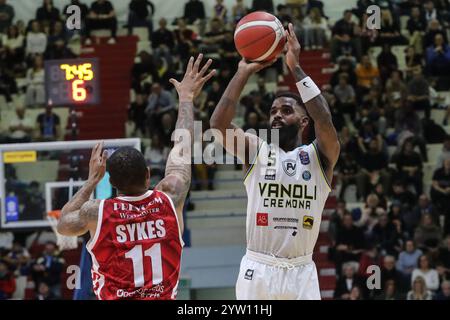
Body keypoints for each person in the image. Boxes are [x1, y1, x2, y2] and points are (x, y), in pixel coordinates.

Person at [57, 54, 215, 300]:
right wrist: (186, 98)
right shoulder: (170, 197)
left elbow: (64, 223)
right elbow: (182, 147)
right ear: (148, 174)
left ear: (110, 183)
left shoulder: (95, 212)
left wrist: (90, 181)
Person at [210, 23, 339, 300]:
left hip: (302, 271)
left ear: (304, 121)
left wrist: (296, 68)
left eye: (286, 110)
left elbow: (325, 120)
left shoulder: (320, 157)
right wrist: (242, 73)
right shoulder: (256, 149)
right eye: (273, 111)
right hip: (259, 268)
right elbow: (217, 124)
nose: (276, 115)